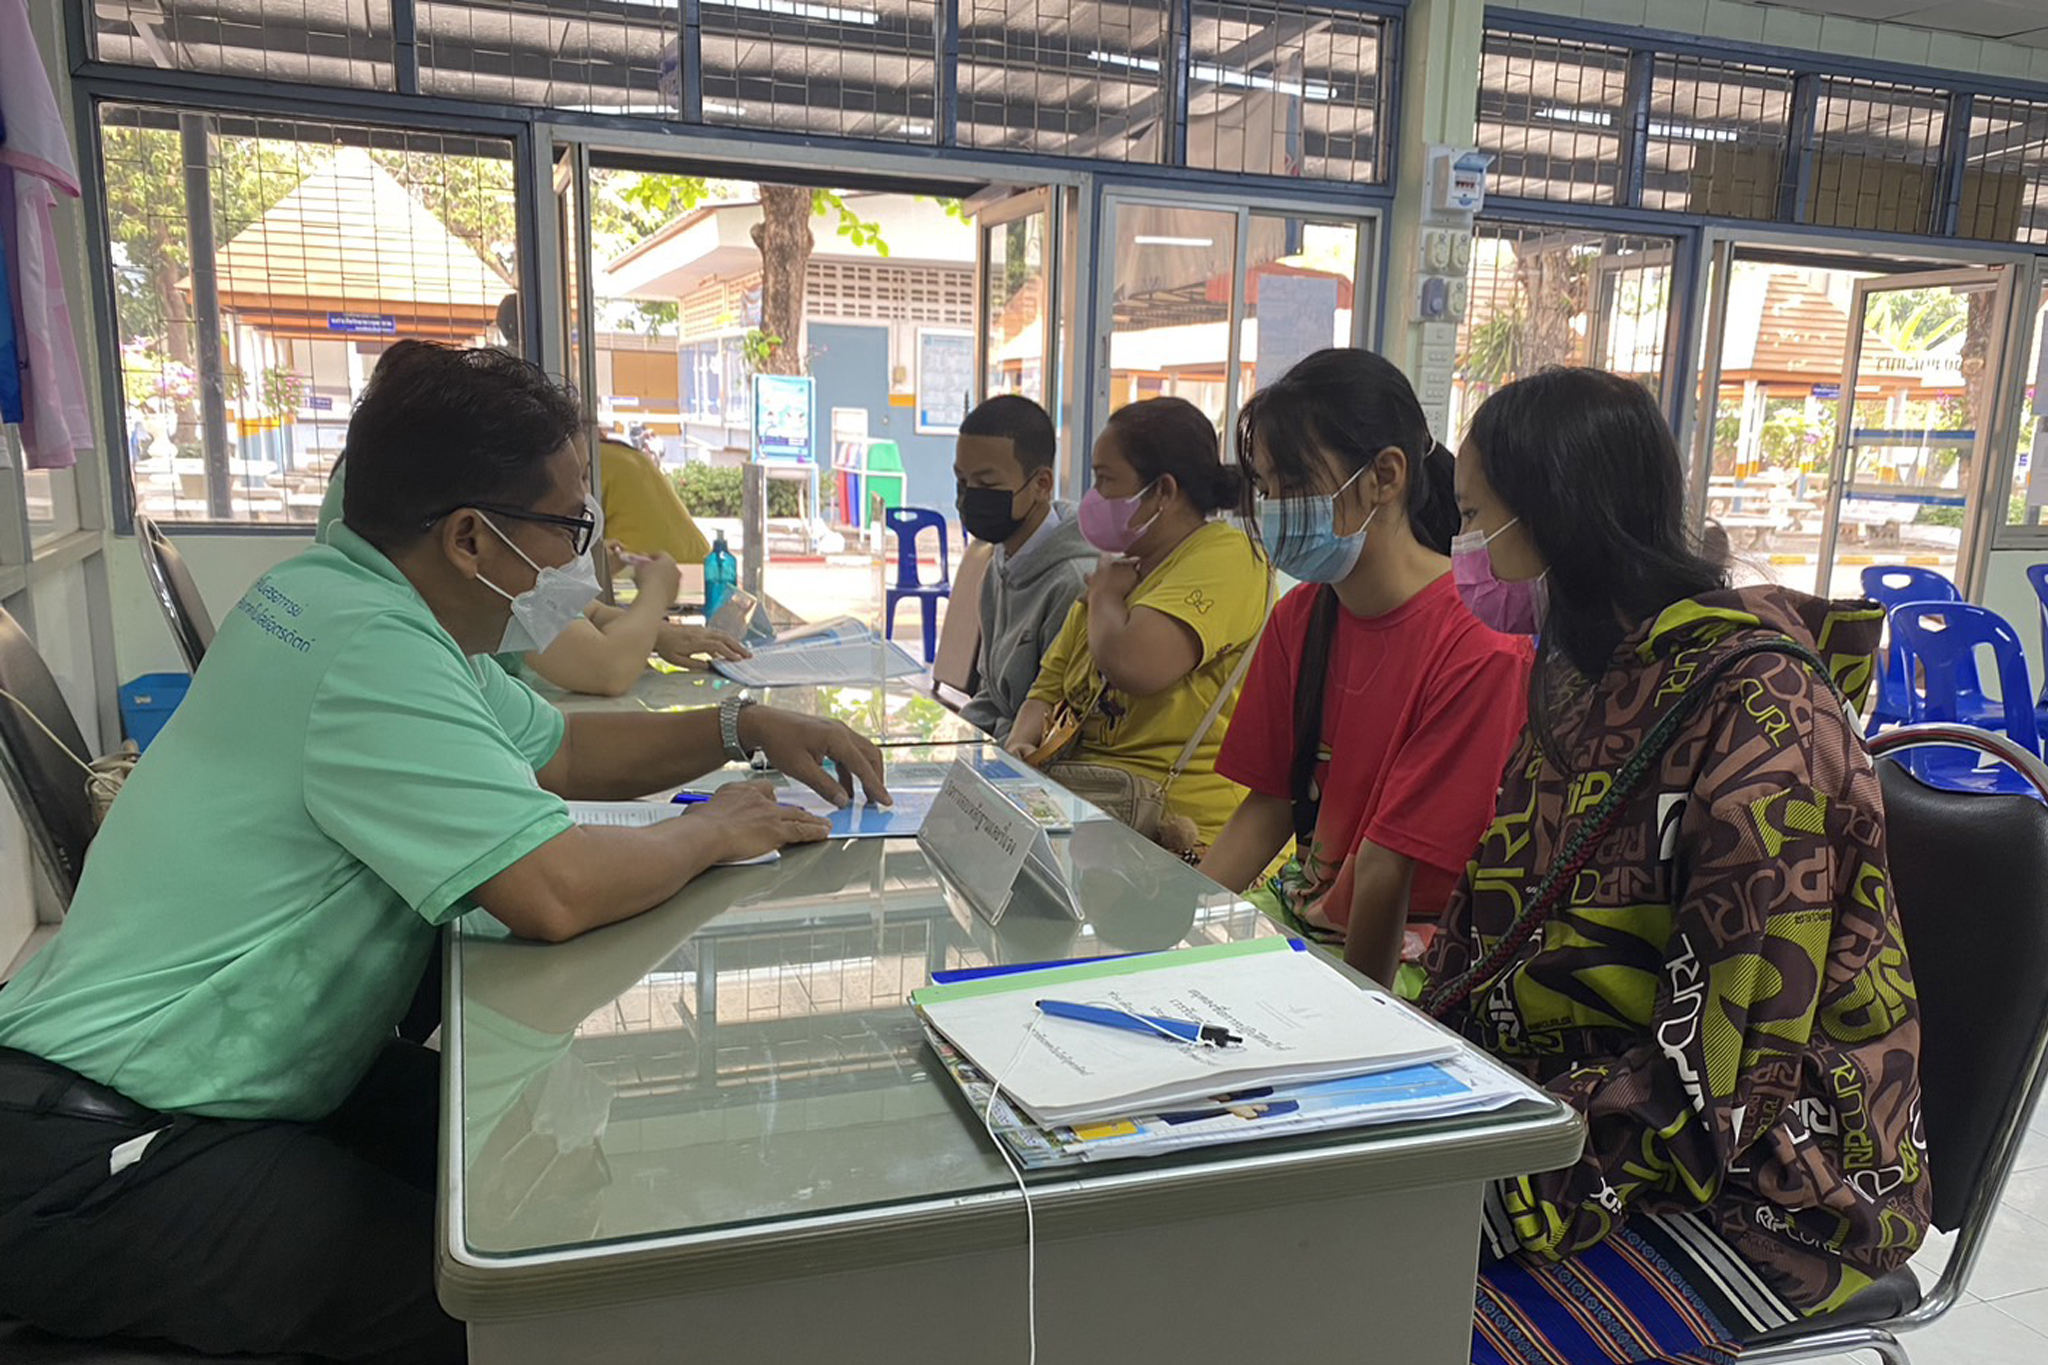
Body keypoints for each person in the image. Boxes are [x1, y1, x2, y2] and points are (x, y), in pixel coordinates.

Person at [0, 342, 892, 1364]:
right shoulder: (370, 648)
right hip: (102, 1153)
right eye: (568, 527)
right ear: (471, 537)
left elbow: (559, 749)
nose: (580, 562)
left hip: (199, 1082)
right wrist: (711, 828)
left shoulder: (345, 601)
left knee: (532, 1187)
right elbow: (549, 893)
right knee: (510, 1312)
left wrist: (738, 725)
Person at [1405, 368, 1928, 1364]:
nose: (1461, 554)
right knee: (1322, 1248)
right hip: (1570, 1114)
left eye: (1472, 520)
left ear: (1548, 514)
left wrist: (1508, 1191)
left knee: (1390, 1320)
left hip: (1767, 1186)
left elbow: (1724, 1073)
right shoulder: (1587, 679)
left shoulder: (1758, 714)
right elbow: (1493, 931)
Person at [1196, 350, 1530, 991]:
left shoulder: (1478, 646)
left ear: (1385, 475)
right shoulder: (1302, 616)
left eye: (1293, 483)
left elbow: (1386, 869)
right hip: (1303, 926)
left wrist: (1356, 1030)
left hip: (1411, 960)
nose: (1274, 509)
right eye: (1265, 488)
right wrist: (1176, 941)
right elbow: (1268, 805)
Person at [1005, 397, 1268, 852]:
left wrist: (1105, 597)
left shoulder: (1227, 557)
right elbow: (1047, 689)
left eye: (1105, 480)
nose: (1093, 497)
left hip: (1182, 838)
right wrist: (1021, 745)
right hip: (1092, 821)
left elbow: (1134, 663)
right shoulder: (1125, 569)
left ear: (1164, 492)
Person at [317, 460, 746, 696]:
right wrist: (654, 594)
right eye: (562, 521)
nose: (586, 510)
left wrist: (654, 633)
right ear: (469, 539)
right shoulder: (406, 657)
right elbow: (605, 670)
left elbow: (585, 615)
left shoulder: (475, 658)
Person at [953, 394, 1094, 741]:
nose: (970, 496)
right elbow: (992, 691)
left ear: (1041, 484)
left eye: (987, 484)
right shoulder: (999, 561)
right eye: (962, 480)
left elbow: (1055, 724)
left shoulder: (1074, 583)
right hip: (998, 744)